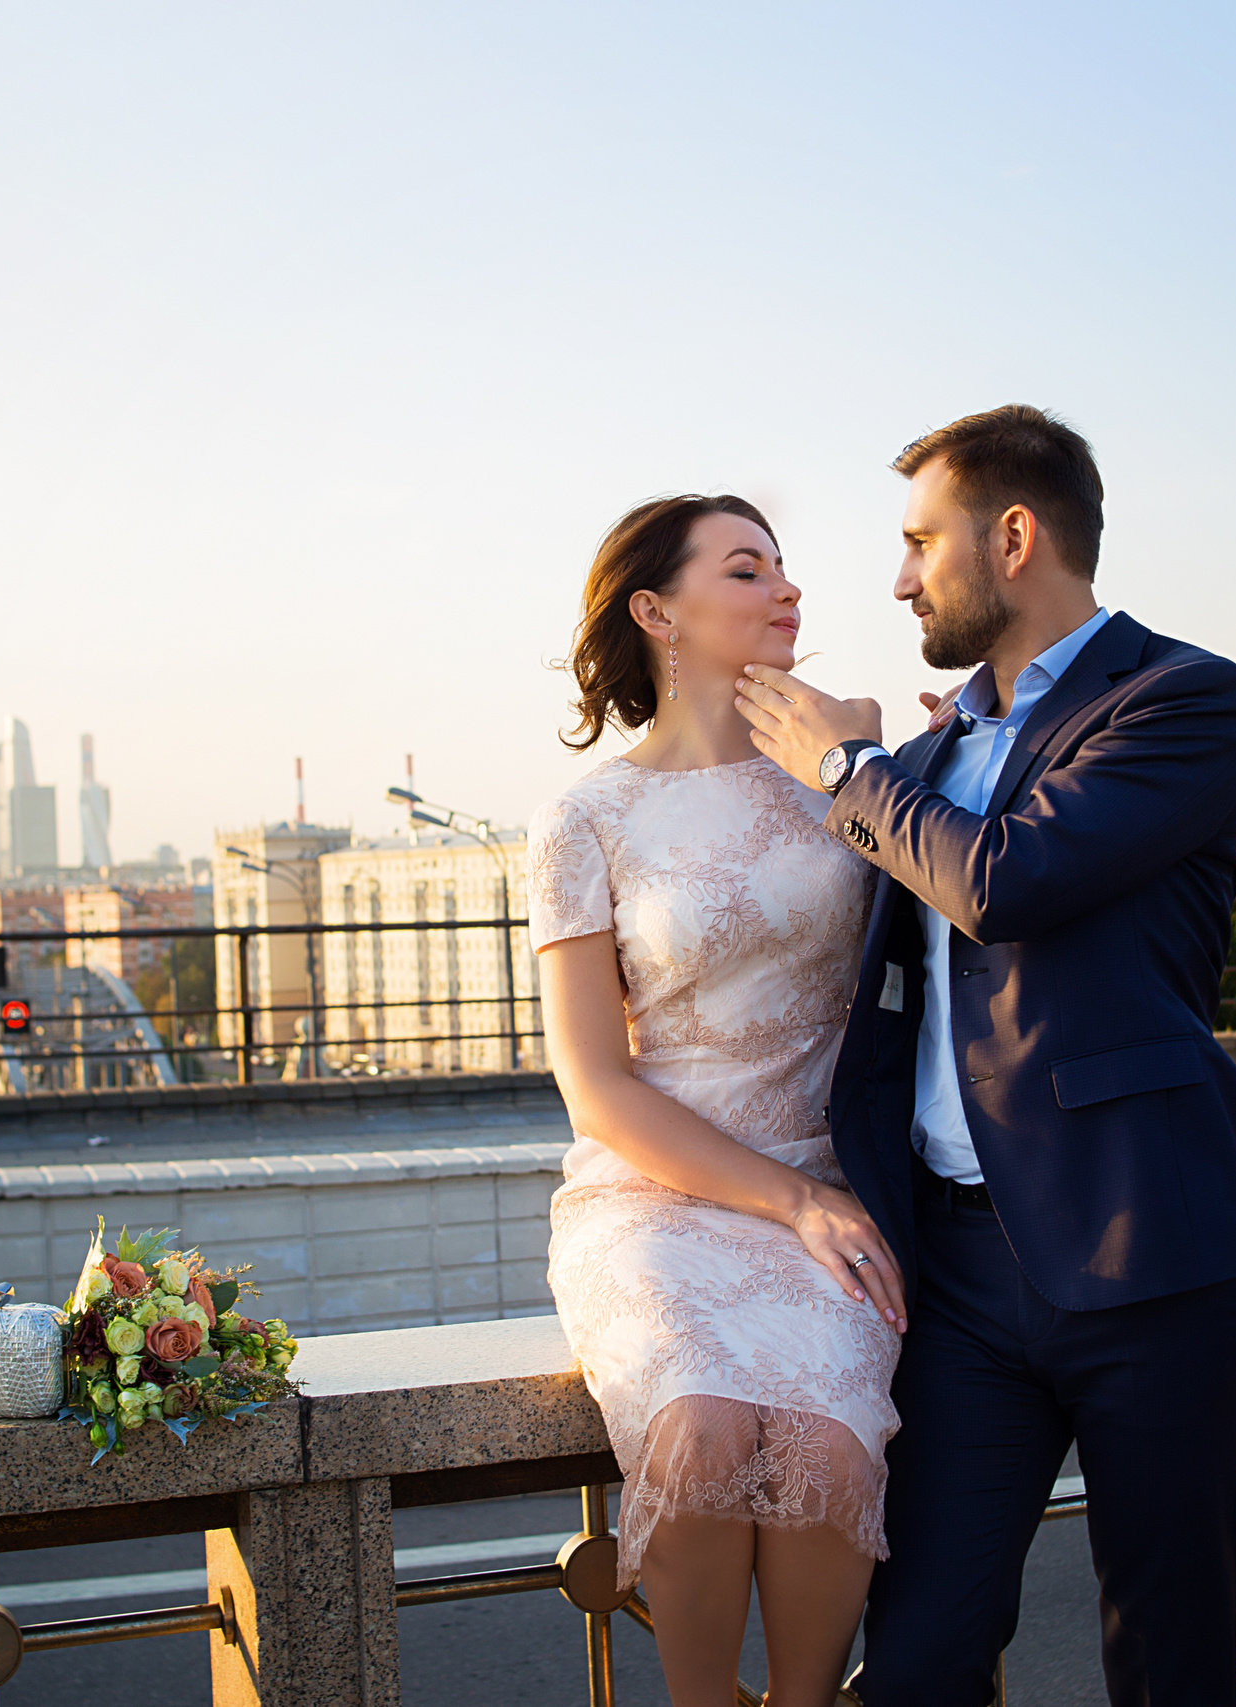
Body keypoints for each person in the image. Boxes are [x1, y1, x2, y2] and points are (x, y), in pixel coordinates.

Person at [734, 405, 1236, 1706]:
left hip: (1146, 1243)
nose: (899, 578)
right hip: (957, 1275)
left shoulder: (1182, 698)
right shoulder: (931, 753)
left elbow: (1007, 879)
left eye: (922, 541)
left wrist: (846, 763)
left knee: (1169, 1656)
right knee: (920, 1655)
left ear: (1016, 537)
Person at [529, 493, 907, 1707]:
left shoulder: (843, 772)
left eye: (783, 567)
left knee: (824, 1444)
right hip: (653, 1199)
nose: (785, 589)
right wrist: (791, 1202)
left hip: (836, 1189)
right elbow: (595, 1085)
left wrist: (867, 763)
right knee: (699, 1425)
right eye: (746, 569)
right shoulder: (584, 818)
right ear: (657, 611)